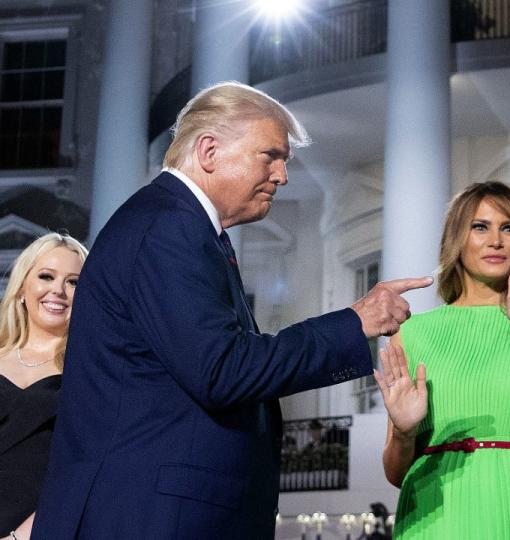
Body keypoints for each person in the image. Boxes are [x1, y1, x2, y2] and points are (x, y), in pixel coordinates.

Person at [31, 82, 431, 539]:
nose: (282, 175)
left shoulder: (181, 226)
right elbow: (223, 370)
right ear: (208, 151)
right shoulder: (169, 226)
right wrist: (354, 322)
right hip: (152, 517)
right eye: (270, 155)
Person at [375, 181, 510, 539]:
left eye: (508, 228)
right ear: (458, 238)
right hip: (436, 513)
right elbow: (396, 474)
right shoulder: (411, 334)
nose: (496, 241)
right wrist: (406, 433)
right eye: (480, 227)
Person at [0, 233, 86, 540]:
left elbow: (81, 472)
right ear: (23, 287)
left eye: (73, 282)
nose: (58, 291)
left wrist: (19, 538)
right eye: (46, 276)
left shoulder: (91, 375)